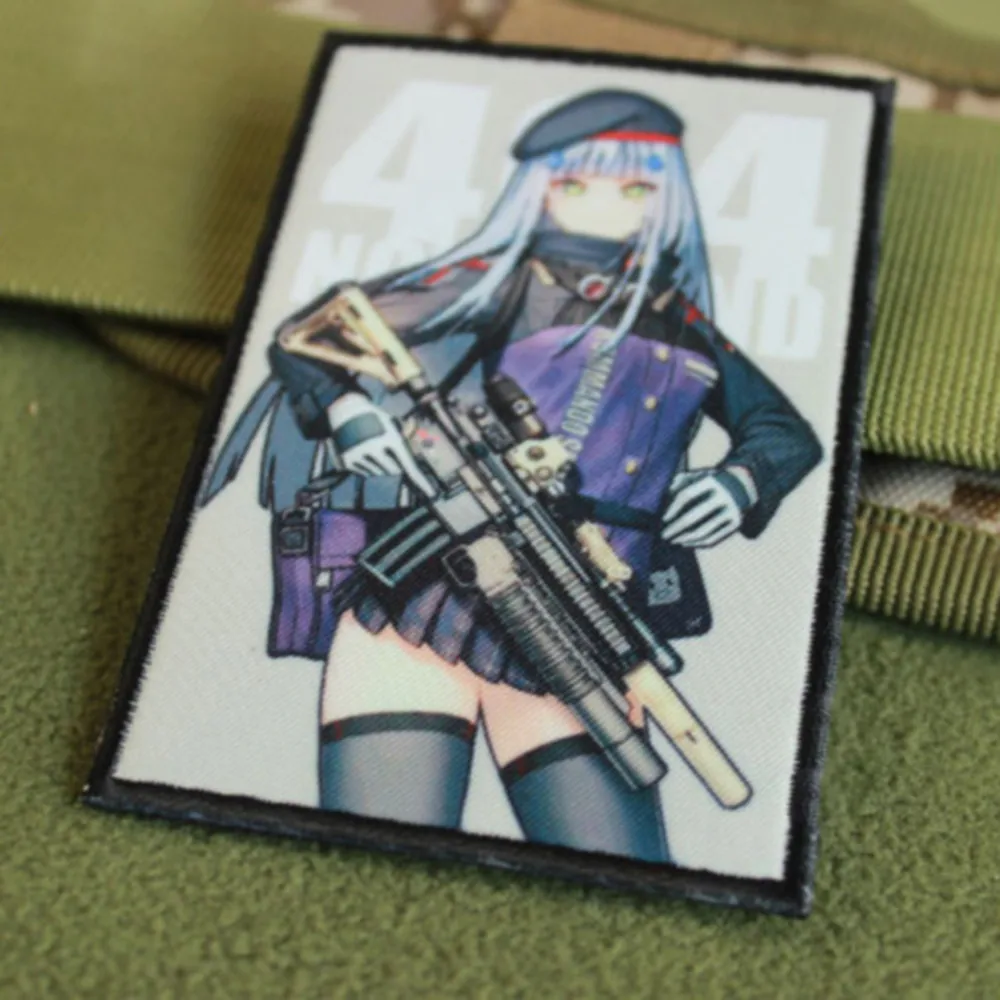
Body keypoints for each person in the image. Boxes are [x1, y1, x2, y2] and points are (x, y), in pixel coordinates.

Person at [203, 89, 822, 863]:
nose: (606, 204)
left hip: (587, 615)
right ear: (542, 187)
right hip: (428, 603)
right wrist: (348, 410)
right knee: (373, 861)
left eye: (635, 188)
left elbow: (784, 432)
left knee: (618, 868)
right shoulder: (494, 281)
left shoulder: (681, 322)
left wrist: (740, 481)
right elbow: (310, 337)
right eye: (579, 183)